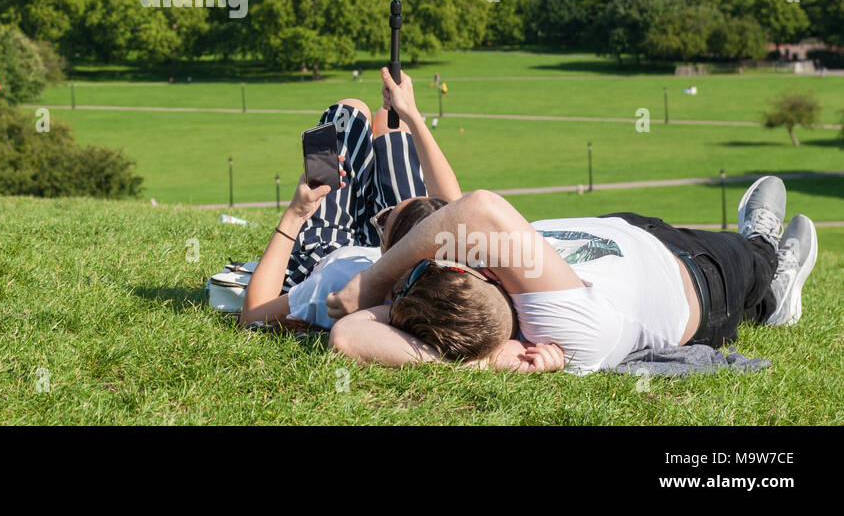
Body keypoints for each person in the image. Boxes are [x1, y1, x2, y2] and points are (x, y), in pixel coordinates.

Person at [325, 73, 820, 373]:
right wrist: (375, 281)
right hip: (700, 276)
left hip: (619, 232)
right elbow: (474, 208)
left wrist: (413, 116)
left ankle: (766, 289)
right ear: (474, 275)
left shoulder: (480, 303)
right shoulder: (553, 322)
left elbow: (349, 334)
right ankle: (771, 276)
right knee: (753, 260)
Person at [238, 68, 462, 330]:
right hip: (396, 254)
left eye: (384, 216)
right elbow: (454, 204)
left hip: (330, 249)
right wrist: (410, 114)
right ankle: (406, 211)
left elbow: (253, 315)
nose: (383, 210)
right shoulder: (449, 267)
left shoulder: (335, 282)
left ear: (386, 242)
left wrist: (295, 213)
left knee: (349, 110)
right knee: (391, 121)